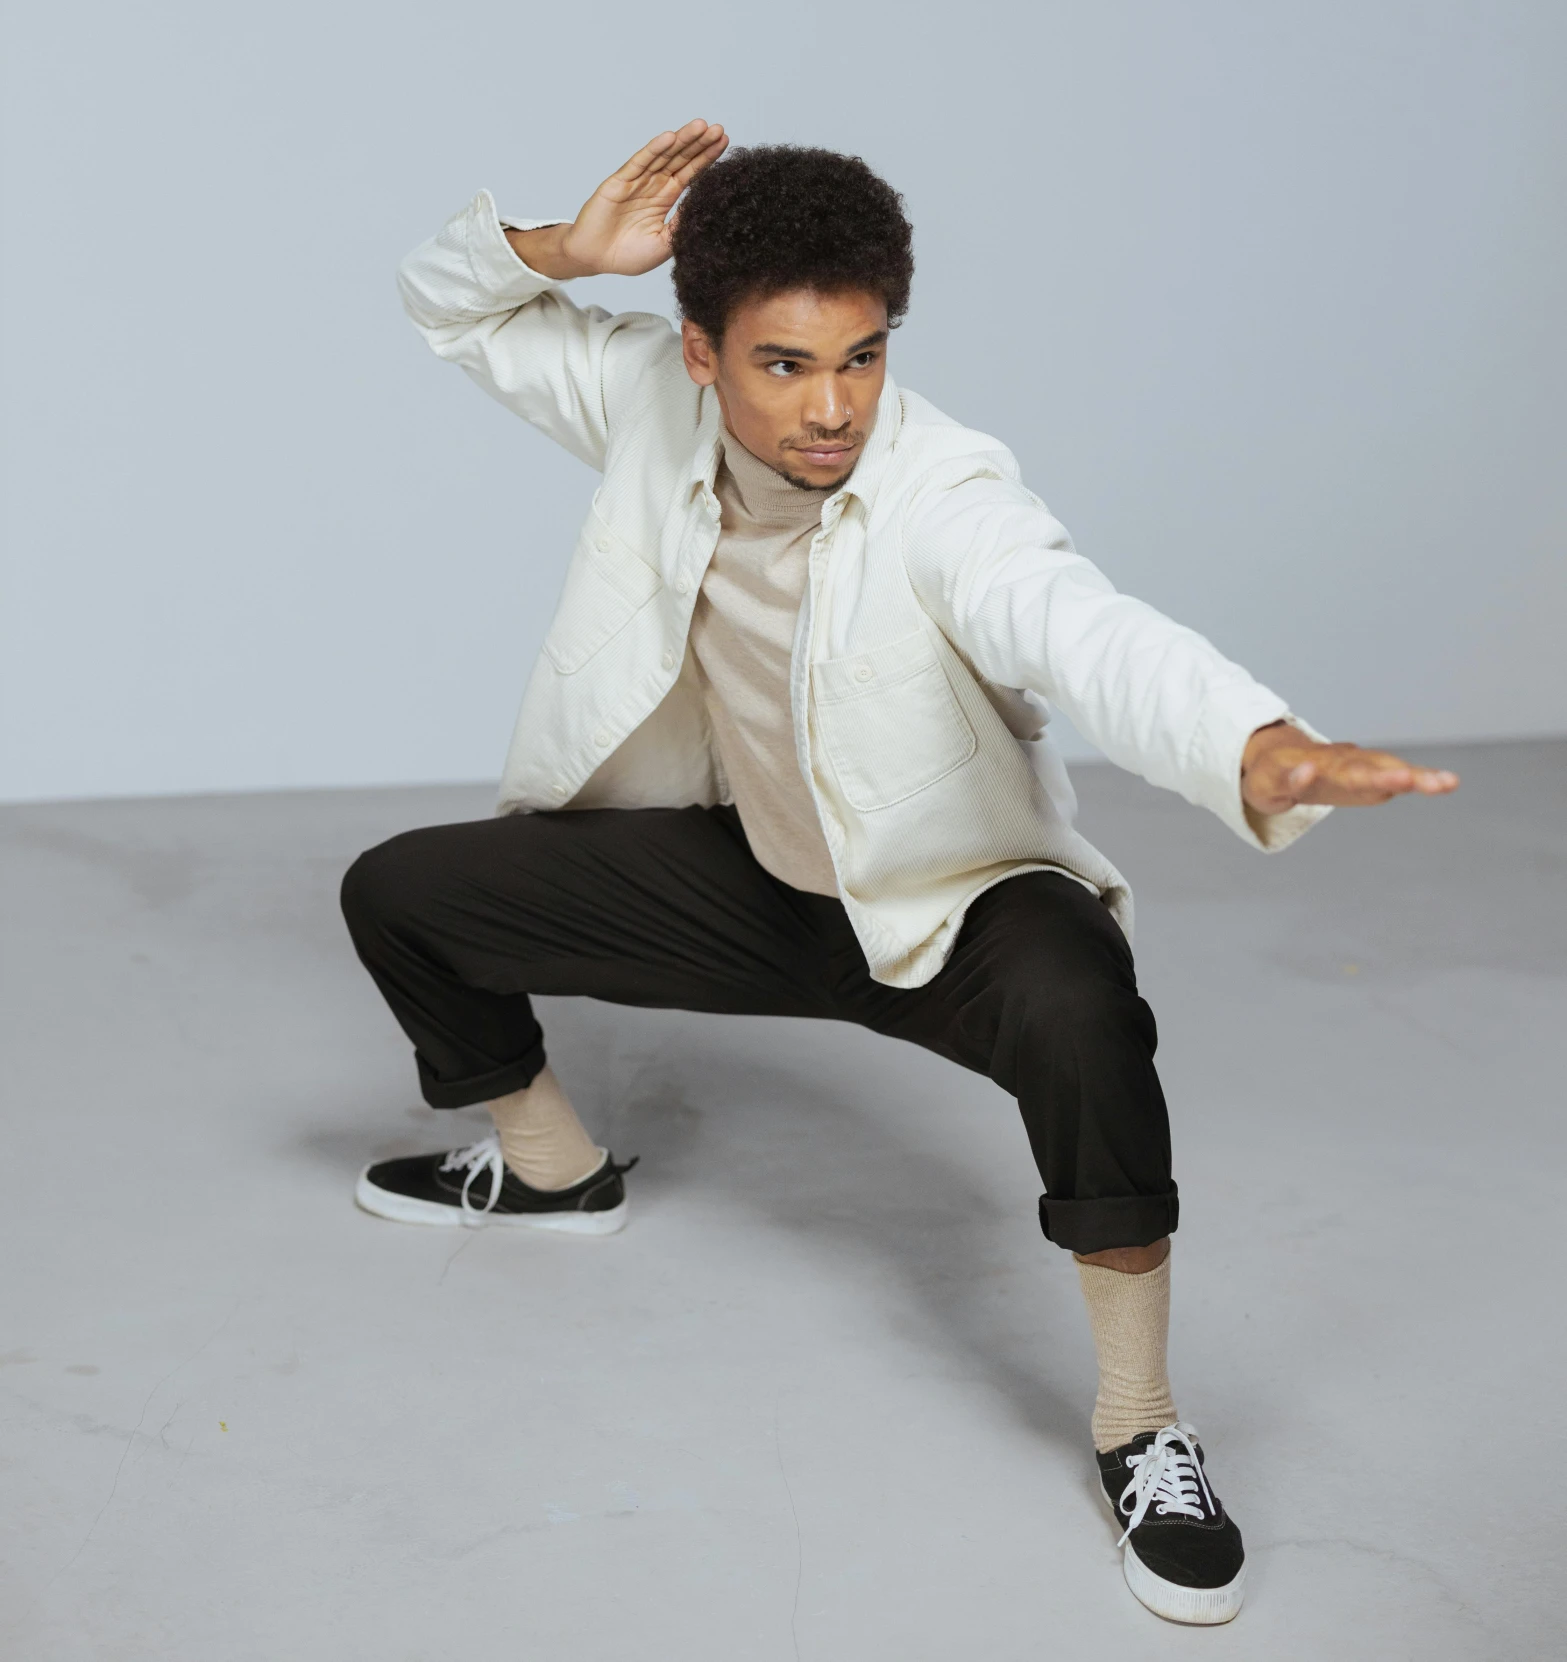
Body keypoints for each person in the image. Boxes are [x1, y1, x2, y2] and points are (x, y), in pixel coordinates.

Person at [341, 123, 1457, 1626]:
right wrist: (557, 249)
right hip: (747, 883)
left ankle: (1139, 1423)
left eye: (861, 358)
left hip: (942, 904)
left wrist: (1246, 741)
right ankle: (552, 1171)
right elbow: (447, 304)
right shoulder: (637, 401)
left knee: (1080, 1003)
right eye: (786, 365)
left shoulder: (942, 489)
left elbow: (1075, 620)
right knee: (401, 890)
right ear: (696, 354)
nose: (832, 407)